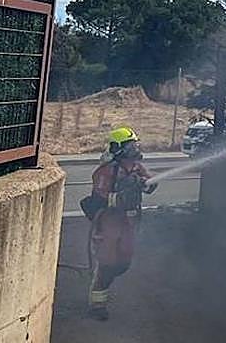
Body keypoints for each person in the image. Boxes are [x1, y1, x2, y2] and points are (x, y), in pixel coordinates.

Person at [82, 126, 156, 320]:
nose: (135, 148)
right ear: (119, 147)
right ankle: (97, 305)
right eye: (131, 145)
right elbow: (99, 197)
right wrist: (120, 198)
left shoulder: (136, 167)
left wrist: (146, 183)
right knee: (107, 263)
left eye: (135, 144)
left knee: (123, 262)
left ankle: (103, 281)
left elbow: (151, 182)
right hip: (109, 221)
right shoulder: (107, 170)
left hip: (129, 222)